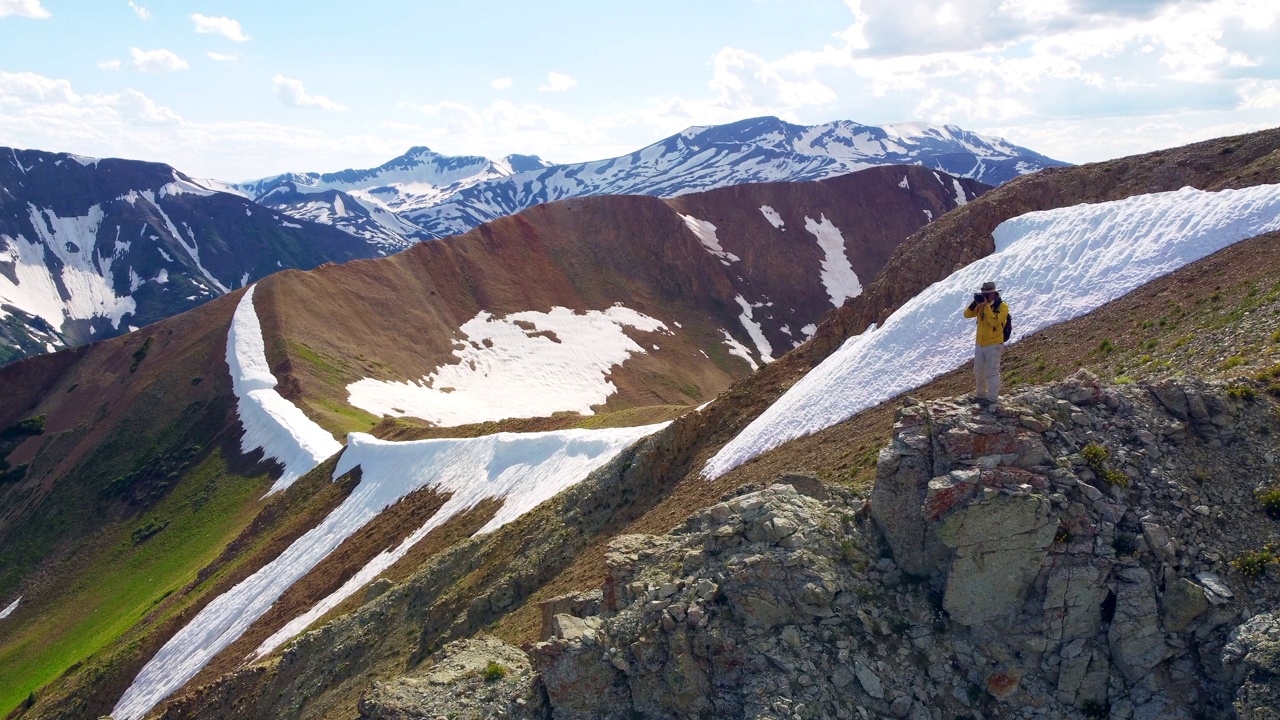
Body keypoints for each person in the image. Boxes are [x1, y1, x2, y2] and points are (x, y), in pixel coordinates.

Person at [963, 280, 1009, 404]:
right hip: (980, 343)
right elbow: (966, 314)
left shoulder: (1002, 306)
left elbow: (994, 322)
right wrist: (975, 303)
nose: (985, 296)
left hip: (994, 344)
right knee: (979, 371)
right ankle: (981, 395)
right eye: (983, 294)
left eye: (987, 294)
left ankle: (993, 399)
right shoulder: (981, 305)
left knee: (992, 372)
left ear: (993, 294)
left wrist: (986, 306)